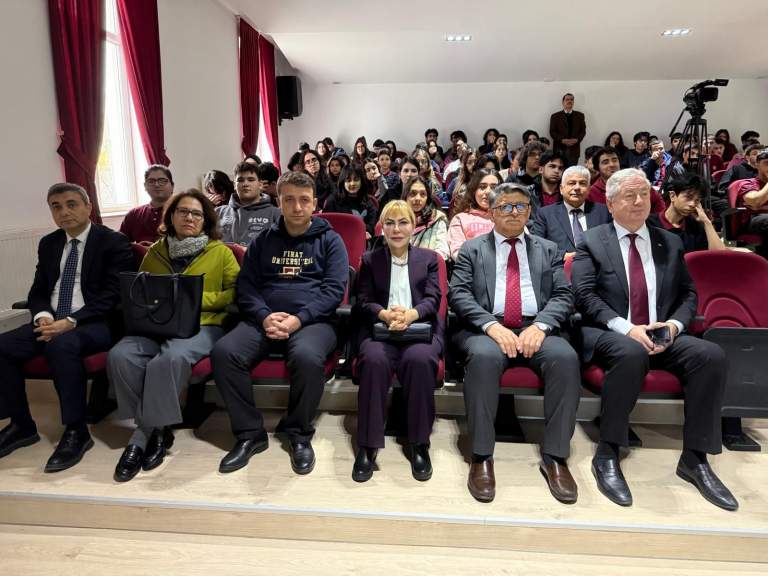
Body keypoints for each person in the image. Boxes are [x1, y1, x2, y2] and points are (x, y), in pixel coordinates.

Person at [571, 168, 737, 511]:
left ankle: (695, 458)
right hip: (610, 332)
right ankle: (608, 452)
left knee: (711, 355)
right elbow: (585, 296)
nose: (639, 202)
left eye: (644, 195)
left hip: (661, 333)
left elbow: (689, 295)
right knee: (631, 352)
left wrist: (673, 327)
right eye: (629, 196)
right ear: (610, 203)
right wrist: (627, 328)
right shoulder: (592, 240)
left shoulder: (669, 241)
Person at [449, 183, 581, 504]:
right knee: (482, 359)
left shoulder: (548, 249)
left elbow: (564, 295)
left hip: (536, 327)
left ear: (529, 211)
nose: (514, 212)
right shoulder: (472, 249)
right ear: (492, 213)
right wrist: (491, 326)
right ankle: (482, 456)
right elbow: (459, 294)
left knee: (565, 359)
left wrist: (542, 326)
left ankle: (556, 457)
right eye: (505, 207)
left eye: (521, 206)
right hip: (487, 329)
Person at [211, 171, 348, 475]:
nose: (297, 207)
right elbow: (247, 287)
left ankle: (299, 434)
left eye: (304, 200)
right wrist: (263, 316)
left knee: (307, 357)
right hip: (263, 319)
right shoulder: (263, 241)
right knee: (224, 353)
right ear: (279, 202)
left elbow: (334, 291)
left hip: (313, 322)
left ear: (315, 204)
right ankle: (250, 435)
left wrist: (300, 319)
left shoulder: (331, 241)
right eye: (289, 200)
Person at [108, 190, 239, 482]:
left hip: (203, 325)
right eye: (183, 211)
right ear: (171, 216)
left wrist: (194, 300)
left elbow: (235, 292)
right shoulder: (155, 252)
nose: (189, 217)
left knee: (168, 360)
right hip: (156, 323)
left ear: (205, 220)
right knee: (120, 355)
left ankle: (142, 435)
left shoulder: (221, 252)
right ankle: (160, 428)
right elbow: (140, 291)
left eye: (196, 213)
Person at [0, 183, 133, 470]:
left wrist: (72, 321)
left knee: (61, 346)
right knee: (3, 346)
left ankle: (76, 431)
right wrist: (42, 316)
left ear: (88, 208)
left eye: (72, 204)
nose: (65, 212)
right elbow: (38, 290)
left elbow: (114, 294)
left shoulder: (114, 242)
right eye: (57, 207)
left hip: (96, 322)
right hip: (53, 319)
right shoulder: (49, 243)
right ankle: (21, 425)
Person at [353, 201, 445, 482]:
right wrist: (384, 314)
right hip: (381, 328)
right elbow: (364, 300)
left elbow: (433, 298)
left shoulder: (429, 259)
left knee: (420, 360)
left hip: (419, 327)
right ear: (382, 227)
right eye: (389, 223)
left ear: (413, 226)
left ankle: (420, 443)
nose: (396, 229)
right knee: (373, 360)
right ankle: (368, 444)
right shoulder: (370, 260)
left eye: (403, 222)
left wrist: (411, 315)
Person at [531, 166, 612, 261]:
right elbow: (536, 245)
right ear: (561, 188)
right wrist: (563, 256)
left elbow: (614, 242)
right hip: (561, 266)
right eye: (571, 183)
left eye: (582, 183)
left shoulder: (604, 211)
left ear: (589, 189)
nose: (577, 187)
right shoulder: (545, 214)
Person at [646, 173, 725, 253]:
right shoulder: (649, 224)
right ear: (672, 196)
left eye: (697, 200)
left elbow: (719, 255)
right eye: (688, 197)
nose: (692, 204)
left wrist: (706, 222)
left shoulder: (695, 227)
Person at [217, 162, 281, 246]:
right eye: (240, 180)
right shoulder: (218, 212)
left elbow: (282, 247)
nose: (245, 184)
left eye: (251, 180)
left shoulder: (274, 214)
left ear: (260, 184)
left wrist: (250, 251)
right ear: (234, 185)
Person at [590, 147, 665, 214]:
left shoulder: (635, 181)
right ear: (597, 168)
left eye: (614, 160)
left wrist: (654, 220)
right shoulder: (591, 192)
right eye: (605, 162)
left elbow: (657, 200)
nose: (611, 164)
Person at [448, 169, 500, 260]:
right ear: (474, 190)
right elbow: (458, 252)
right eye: (482, 187)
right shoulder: (460, 219)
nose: (488, 191)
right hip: (473, 266)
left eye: (494, 188)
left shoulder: (510, 217)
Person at [120, 165, 175, 245]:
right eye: (151, 181)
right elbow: (120, 243)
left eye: (162, 181)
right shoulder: (134, 214)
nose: (156, 185)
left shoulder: (182, 212)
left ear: (172, 186)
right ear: (145, 186)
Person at [399, 176, 450, 260]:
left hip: (427, 265)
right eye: (413, 193)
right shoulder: (395, 218)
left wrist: (419, 261)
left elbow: (443, 252)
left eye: (422, 194)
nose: (418, 198)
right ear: (405, 196)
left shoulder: (437, 220)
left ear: (427, 197)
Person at [323, 163, 378, 239]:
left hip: (360, 240)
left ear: (361, 181)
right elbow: (326, 224)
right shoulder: (333, 200)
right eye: (348, 180)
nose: (352, 184)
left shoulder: (368, 202)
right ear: (342, 182)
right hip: (337, 239)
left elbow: (372, 227)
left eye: (356, 180)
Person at [733, 148, 768, 258]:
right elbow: (756, 201)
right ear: (757, 165)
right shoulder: (748, 184)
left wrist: (762, 207)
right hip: (753, 220)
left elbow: (758, 205)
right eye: (767, 163)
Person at [550, 93, 586, 168]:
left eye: (571, 100)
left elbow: (583, 131)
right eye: (567, 99)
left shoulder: (580, 115)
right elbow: (552, 131)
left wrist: (577, 139)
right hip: (560, 148)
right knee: (559, 169)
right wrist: (562, 139)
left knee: (572, 171)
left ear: (573, 102)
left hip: (574, 149)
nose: (569, 101)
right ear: (563, 102)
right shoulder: (555, 116)